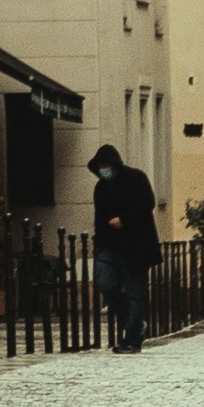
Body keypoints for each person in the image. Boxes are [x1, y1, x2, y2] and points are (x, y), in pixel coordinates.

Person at [89, 140, 158, 352]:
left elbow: (148, 203)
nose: (103, 170)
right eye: (100, 167)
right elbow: (99, 217)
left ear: (115, 165)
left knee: (135, 293)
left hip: (136, 247)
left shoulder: (136, 178)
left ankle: (132, 340)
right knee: (106, 285)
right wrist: (99, 243)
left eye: (106, 166)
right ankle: (135, 324)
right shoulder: (100, 188)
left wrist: (124, 220)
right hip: (109, 247)